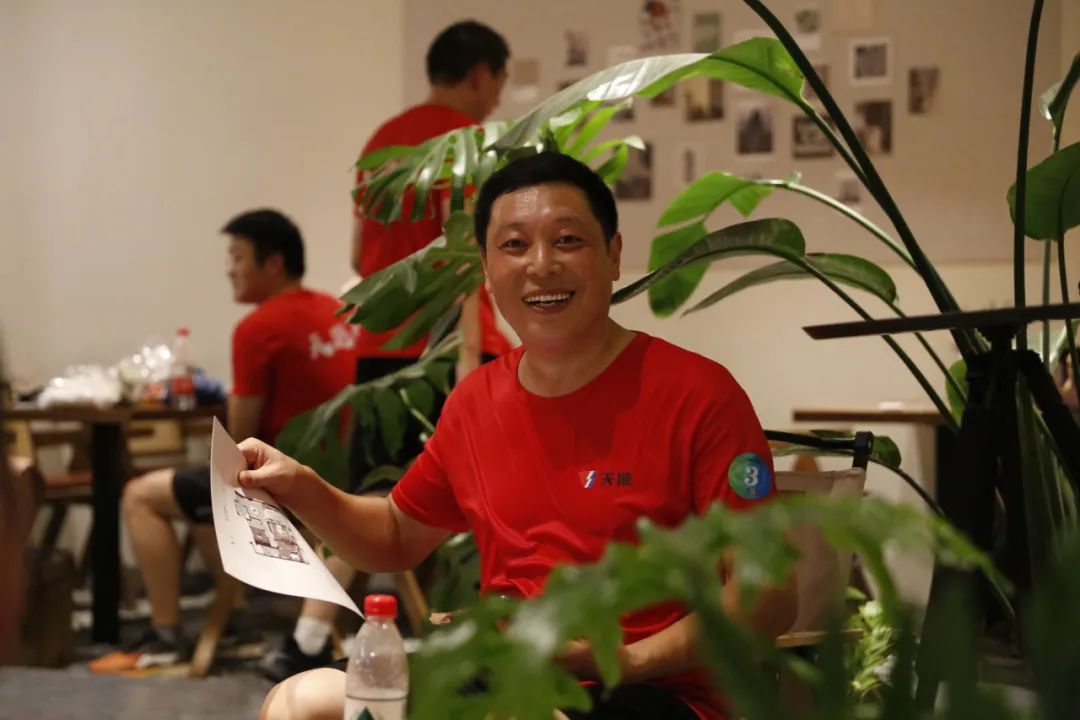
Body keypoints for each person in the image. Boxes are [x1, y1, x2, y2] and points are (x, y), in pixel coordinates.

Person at [247, 153, 797, 720]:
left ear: (613, 255)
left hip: (655, 689)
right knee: (299, 702)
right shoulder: (476, 401)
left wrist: (626, 659)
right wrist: (300, 485)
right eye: (514, 245)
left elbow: (769, 596)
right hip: (508, 677)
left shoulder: (699, 393)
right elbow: (395, 535)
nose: (541, 264)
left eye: (567, 240)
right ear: (486, 270)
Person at [258, 19, 514, 682]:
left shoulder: (382, 140)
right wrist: (473, 356)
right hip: (451, 346)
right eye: (499, 80)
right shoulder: (469, 144)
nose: (497, 95)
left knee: (379, 497)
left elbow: (357, 255)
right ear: (481, 74)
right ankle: (477, 642)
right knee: (474, 499)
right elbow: (468, 260)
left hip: (382, 347)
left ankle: (307, 638)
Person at [89, 209, 358, 673]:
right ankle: (234, 615)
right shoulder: (335, 311)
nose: (230, 269)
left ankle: (166, 635)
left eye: (237, 257)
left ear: (272, 263)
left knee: (141, 495)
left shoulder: (259, 328)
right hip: (343, 477)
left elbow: (239, 434)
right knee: (197, 491)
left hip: (283, 487)